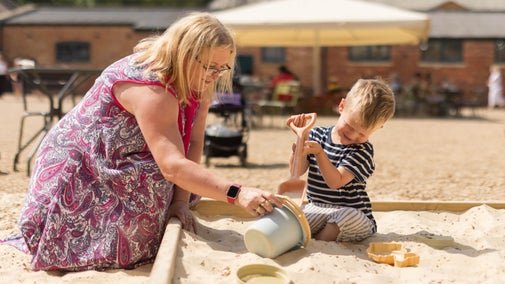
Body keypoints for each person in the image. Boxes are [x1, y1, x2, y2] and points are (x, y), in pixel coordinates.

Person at [0, 12, 282, 271]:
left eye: (221, 68)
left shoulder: (199, 79)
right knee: (156, 185)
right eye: (209, 67)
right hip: (85, 165)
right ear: (183, 54)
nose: (214, 76)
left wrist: (181, 201)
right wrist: (237, 193)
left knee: (167, 188)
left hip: (128, 154)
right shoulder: (151, 89)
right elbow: (172, 166)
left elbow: (193, 140)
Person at [285, 78, 395, 242]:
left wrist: (320, 154)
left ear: (379, 128)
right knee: (291, 217)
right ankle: (305, 236)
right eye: (349, 127)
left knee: (345, 218)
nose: (353, 136)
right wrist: (299, 147)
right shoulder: (317, 135)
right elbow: (298, 171)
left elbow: (335, 182)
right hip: (318, 208)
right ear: (341, 107)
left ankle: (317, 243)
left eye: (362, 134)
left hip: (352, 213)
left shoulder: (362, 151)